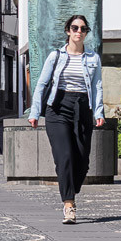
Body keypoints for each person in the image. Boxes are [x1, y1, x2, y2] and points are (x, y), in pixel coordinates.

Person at [27, 15, 105, 223]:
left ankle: (71, 185)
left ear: (86, 33)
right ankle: (69, 204)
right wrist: (35, 113)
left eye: (83, 29)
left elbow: (96, 87)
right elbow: (42, 85)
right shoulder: (56, 56)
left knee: (82, 161)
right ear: (68, 31)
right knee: (65, 157)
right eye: (75, 28)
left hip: (82, 108)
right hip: (58, 107)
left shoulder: (93, 59)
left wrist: (98, 112)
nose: (79, 31)